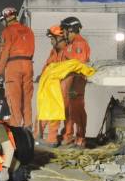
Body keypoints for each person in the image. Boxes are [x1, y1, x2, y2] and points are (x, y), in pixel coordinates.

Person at [0, 7, 35, 130]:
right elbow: (32, 49)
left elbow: (4, 51)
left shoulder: (7, 31)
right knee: (27, 97)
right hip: (28, 64)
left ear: (6, 17)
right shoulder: (28, 30)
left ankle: (16, 126)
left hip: (14, 65)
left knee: (14, 97)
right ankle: (28, 124)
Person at [60, 16, 91, 148]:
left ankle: (80, 138)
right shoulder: (70, 44)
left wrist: (73, 86)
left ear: (70, 29)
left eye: (65, 30)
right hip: (70, 82)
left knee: (77, 110)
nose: (63, 33)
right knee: (68, 110)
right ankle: (68, 135)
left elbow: (78, 66)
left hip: (76, 81)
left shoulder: (79, 43)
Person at [37, 25, 69, 147]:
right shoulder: (54, 51)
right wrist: (42, 75)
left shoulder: (67, 52)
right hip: (49, 86)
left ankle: (52, 140)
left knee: (54, 113)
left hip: (60, 87)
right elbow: (47, 65)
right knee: (44, 111)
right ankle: (37, 136)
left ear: (60, 38)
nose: (50, 41)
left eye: (52, 38)